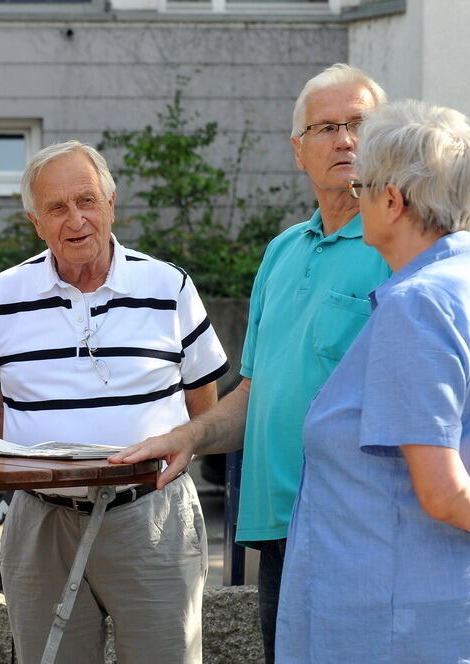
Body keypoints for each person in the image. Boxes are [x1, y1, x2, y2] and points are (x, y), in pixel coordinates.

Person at [110, 62, 391, 662]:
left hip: (362, 532)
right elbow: (253, 396)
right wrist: (187, 436)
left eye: (360, 124)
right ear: (298, 151)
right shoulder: (282, 253)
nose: (345, 140)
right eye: (326, 128)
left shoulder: (399, 245)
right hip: (282, 530)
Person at [274, 99, 470, 663]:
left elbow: (443, 492)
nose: (356, 198)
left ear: (391, 200)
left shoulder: (418, 304)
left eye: (360, 187)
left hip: (397, 630)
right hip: (462, 619)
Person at [0, 140, 229, 663]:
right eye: (56, 208)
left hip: (149, 516)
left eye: (86, 200)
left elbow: (206, 403)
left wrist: (180, 460)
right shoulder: (1, 295)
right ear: (35, 222)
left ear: (112, 202)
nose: (76, 218)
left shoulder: (168, 286)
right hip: (41, 521)